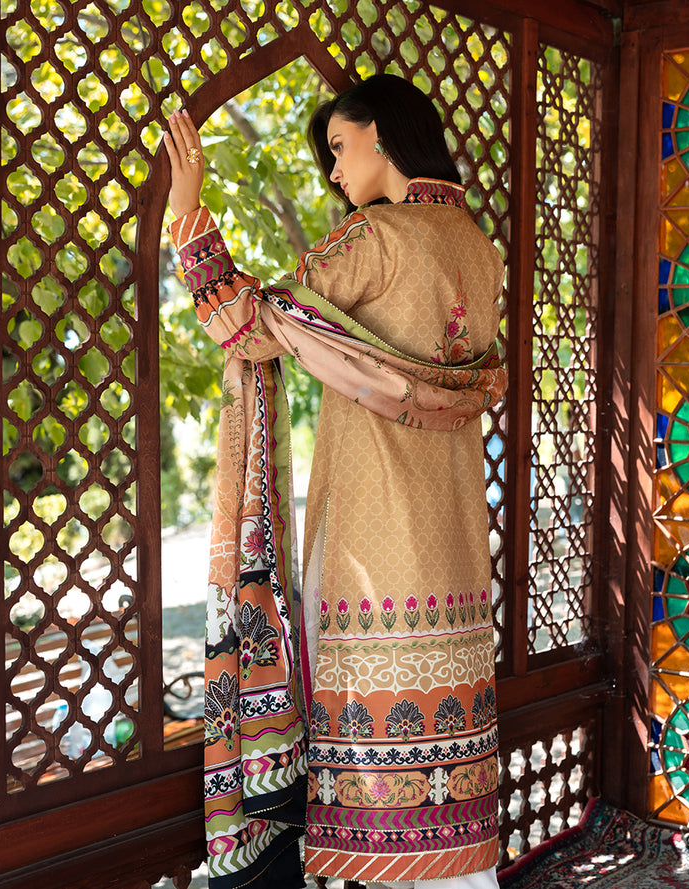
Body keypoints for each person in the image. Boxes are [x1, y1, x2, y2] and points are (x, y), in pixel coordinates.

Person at [163, 73, 505, 889]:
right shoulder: (479, 247)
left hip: (371, 558)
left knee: (374, 811)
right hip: (456, 561)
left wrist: (188, 215)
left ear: (380, 134)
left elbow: (248, 325)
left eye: (340, 147)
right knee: (449, 838)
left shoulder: (372, 239)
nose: (334, 170)